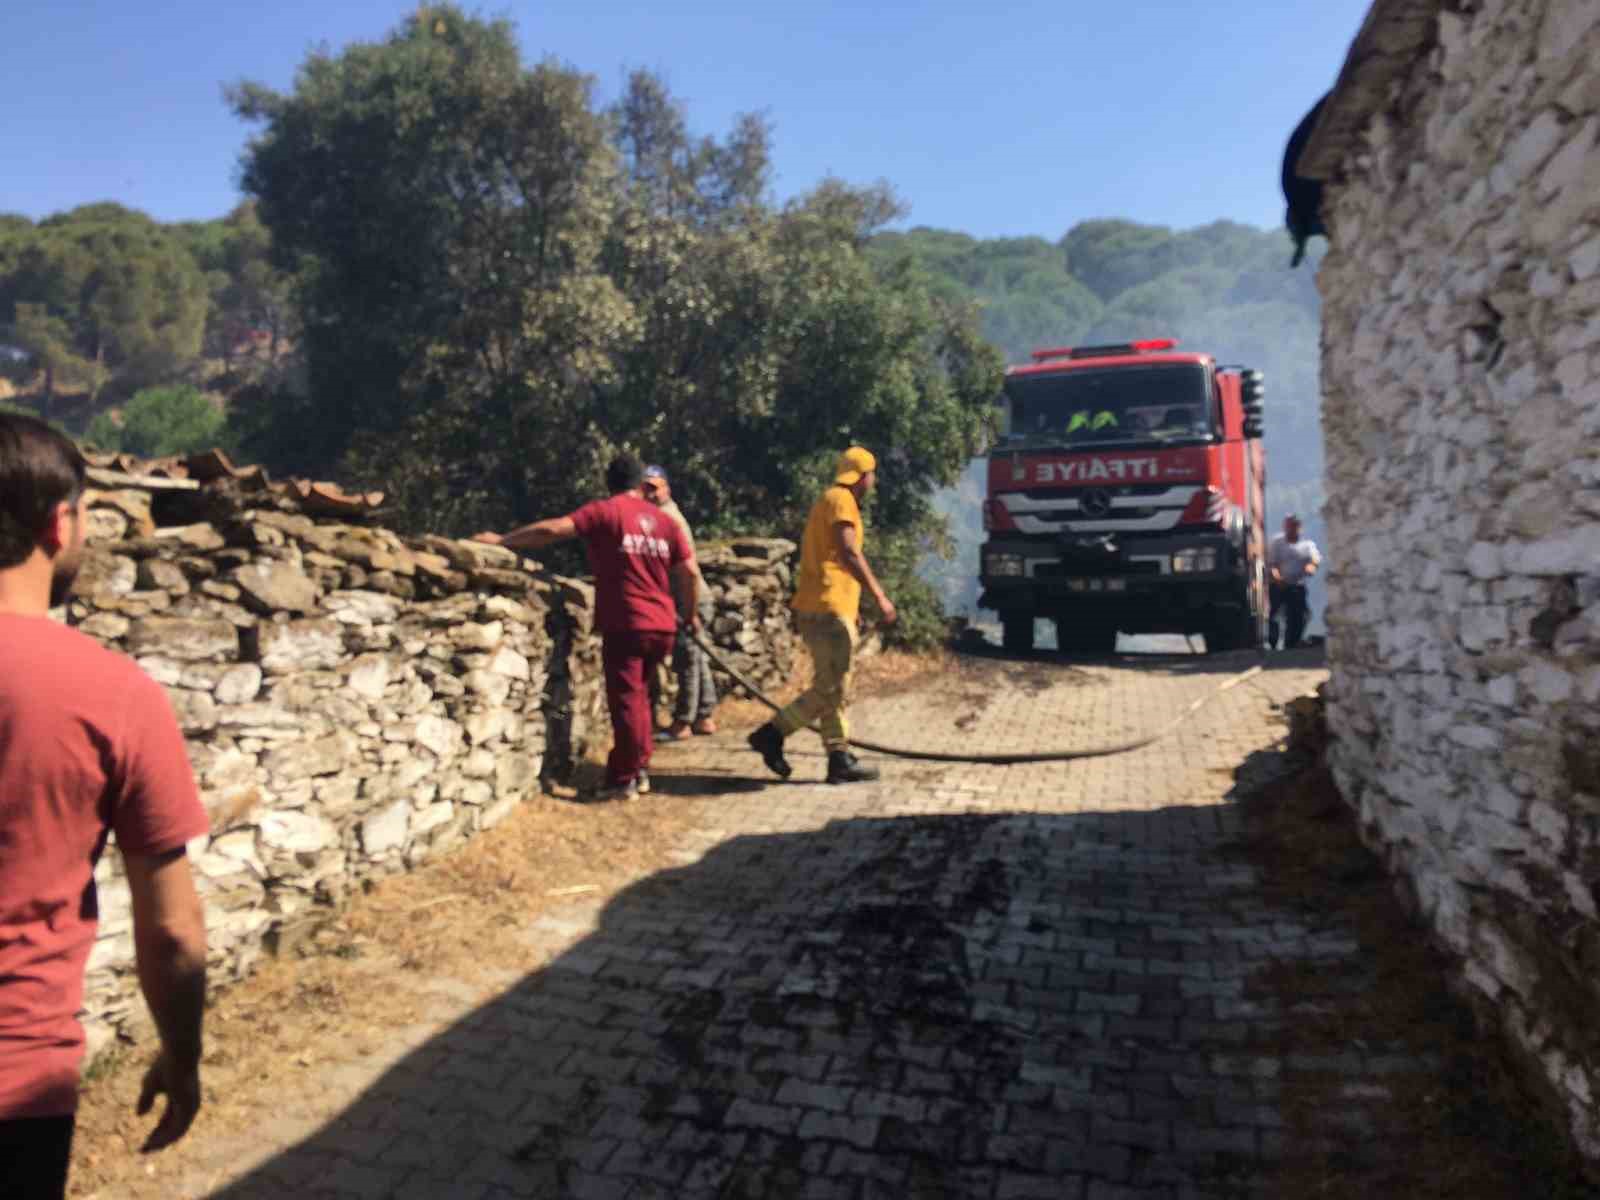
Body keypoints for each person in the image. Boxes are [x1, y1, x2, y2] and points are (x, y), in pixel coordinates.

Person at [0, 413, 210, 1200]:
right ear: (59, 522)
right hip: (17, 1083)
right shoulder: (114, 695)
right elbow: (173, 929)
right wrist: (181, 1055)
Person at [474, 455, 697, 801]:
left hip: (628, 620)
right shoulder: (665, 522)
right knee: (640, 699)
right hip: (662, 623)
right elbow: (690, 573)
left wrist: (503, 541)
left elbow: (553, 530)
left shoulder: (606, 511)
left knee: (626, 701)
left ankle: (623, 779)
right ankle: (638, 770)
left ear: (609, 482)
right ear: (641, 483)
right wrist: (689, 613)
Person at [747, 446, 897, 785]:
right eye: (872, 474)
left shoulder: (827, 499)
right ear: (865, 476)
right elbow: (847, 552)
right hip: (829, 607)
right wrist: (879, 596)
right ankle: (772, 733)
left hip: (823, 604)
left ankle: (838, 758)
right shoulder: (843, 501)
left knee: (831, 684)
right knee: (833, 688)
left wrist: (853, 607)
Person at [642, 465, 718, 741]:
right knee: (697, 658)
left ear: (666, 489)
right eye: (645, 487)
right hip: (689, 597)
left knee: (687, 660)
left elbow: (689, 570)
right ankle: (704, 715)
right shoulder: (659, 517)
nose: (649, 493)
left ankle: (683, 721)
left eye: (654, 487)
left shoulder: (667, 519)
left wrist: (690, 610)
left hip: (690, 598)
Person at [1267, 512, 1322, 649]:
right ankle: (1273, 643)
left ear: (1299, 527)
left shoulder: (1307, 545)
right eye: (1289, 525)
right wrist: (1277, 578)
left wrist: (1311, 566)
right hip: (1279, 585)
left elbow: (1315, 560)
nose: (1291, 528)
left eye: (1294, 525)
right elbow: (1273, 564)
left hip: (1297, 585)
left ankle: (1291, 643)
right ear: (1285, 526)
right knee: (1275, 615)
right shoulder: (1277, 543)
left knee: (1300, 615)